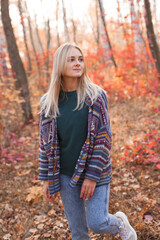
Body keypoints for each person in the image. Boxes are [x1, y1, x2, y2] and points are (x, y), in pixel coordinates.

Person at [38, 42, 137, 240]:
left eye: (80, 59)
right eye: (71, 59)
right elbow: (44, 145)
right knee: (78, 231)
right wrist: (47, 178)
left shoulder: (96, 96)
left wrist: (92, 177)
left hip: (96, 170)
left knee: (97, 222)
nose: (78, 63)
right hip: (66, 175)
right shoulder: (48, 103)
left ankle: (119, 224)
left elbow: (104, 139)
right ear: (60, 65)